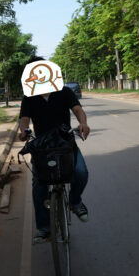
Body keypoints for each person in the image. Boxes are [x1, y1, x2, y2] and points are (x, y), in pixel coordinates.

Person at [18, 57, 91, 244]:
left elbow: (77, 109)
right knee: (39, 186)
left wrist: (83, 123)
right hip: (42, 147)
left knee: (81, 172)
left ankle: (75, 201)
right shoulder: (29, 98)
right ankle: (44, 228)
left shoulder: (64, 91)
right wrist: (24, 131)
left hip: (65, 143)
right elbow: (24, 119)